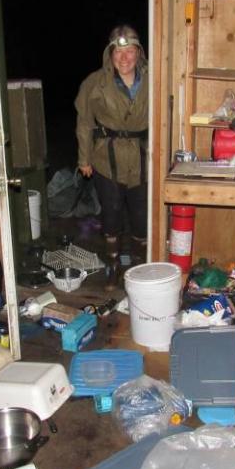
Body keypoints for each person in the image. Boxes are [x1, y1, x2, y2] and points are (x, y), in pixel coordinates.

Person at [75, 25, 149, 290]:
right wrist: (84, 159)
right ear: (110, 54)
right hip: (107, 159)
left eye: (130, 51)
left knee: (142, 215)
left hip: (144, 159)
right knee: (112, 215)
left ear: (138, 53)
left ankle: (141, 265)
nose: (125, 58)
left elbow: (167, 116)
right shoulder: (94, 83)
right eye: (119, 51)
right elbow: (84, 122)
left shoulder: (154, 78)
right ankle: (113, 265)